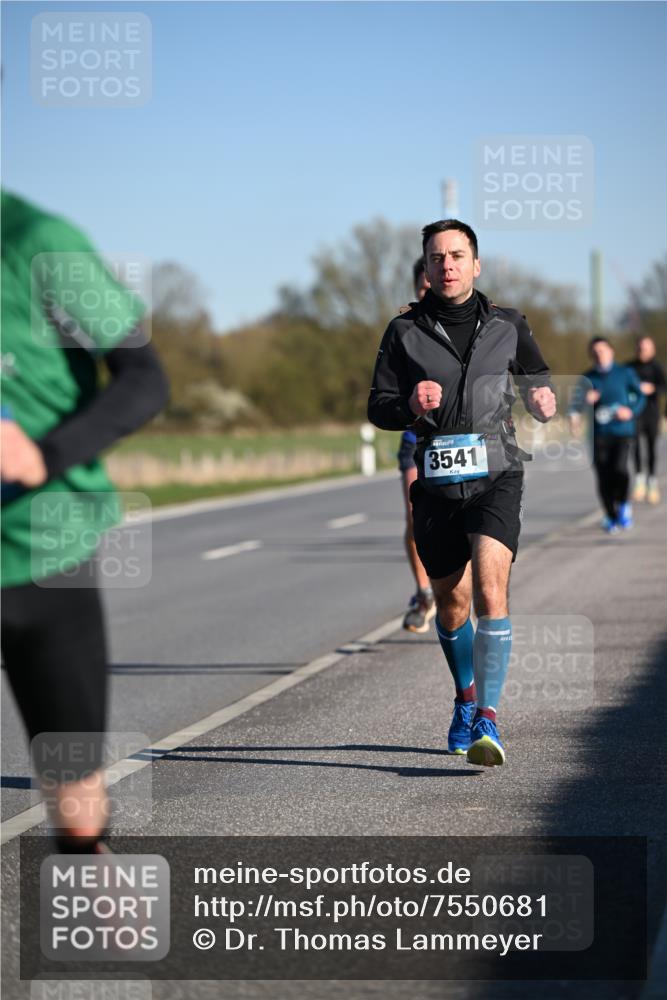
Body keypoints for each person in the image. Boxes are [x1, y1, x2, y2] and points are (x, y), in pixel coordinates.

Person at [1, 190, 169, 851]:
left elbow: (144, 379)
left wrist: (44, 457)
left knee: (75, 812)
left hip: (44, 552)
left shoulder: (39, 241)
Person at [368, 219, 556, 766]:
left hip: (498, 475)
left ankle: (490, 720)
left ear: (475, 264)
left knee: (490, 589)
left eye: (456, 255)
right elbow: (377, 405)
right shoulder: (402, 332)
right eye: (436, 257)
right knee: (451, 604)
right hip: (436, 482)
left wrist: (543, 400)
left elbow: (537, 378)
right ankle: (466, 697)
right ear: (425, 270)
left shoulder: (508, 324)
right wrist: (409, 405)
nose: (446, 264)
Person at [569, 337, 645, 533]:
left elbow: (641, 396)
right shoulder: (588, 377)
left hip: (622, 431)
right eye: (595, 352)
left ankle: (623, 505)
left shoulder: (625, 373)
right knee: (603, 477)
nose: (599, 355)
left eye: (602, 350)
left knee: (620, 469)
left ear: (611, 351)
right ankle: (610, 515)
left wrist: (630, 411)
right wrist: (583, 405)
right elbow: (575, 405)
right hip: (598, 435)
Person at [399, 257, 435, 633]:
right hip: (414, 438)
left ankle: (454, 589)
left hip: (458, 438)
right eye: (423, 288)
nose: (429, 293)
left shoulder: (464, 321)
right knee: (415, 516)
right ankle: (424, 592)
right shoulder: (403, 329)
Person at [628, 335, 666, 504]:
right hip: (635, 414)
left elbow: (664, 386)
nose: (642, 351)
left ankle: (652, 481)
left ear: (652, 349)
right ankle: (639, 480)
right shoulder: (629, 367)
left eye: (646, 348)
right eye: (640, 348)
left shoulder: (657, 367)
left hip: (651, 413)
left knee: (651, 447)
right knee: (634, 445)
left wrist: (652, 388)